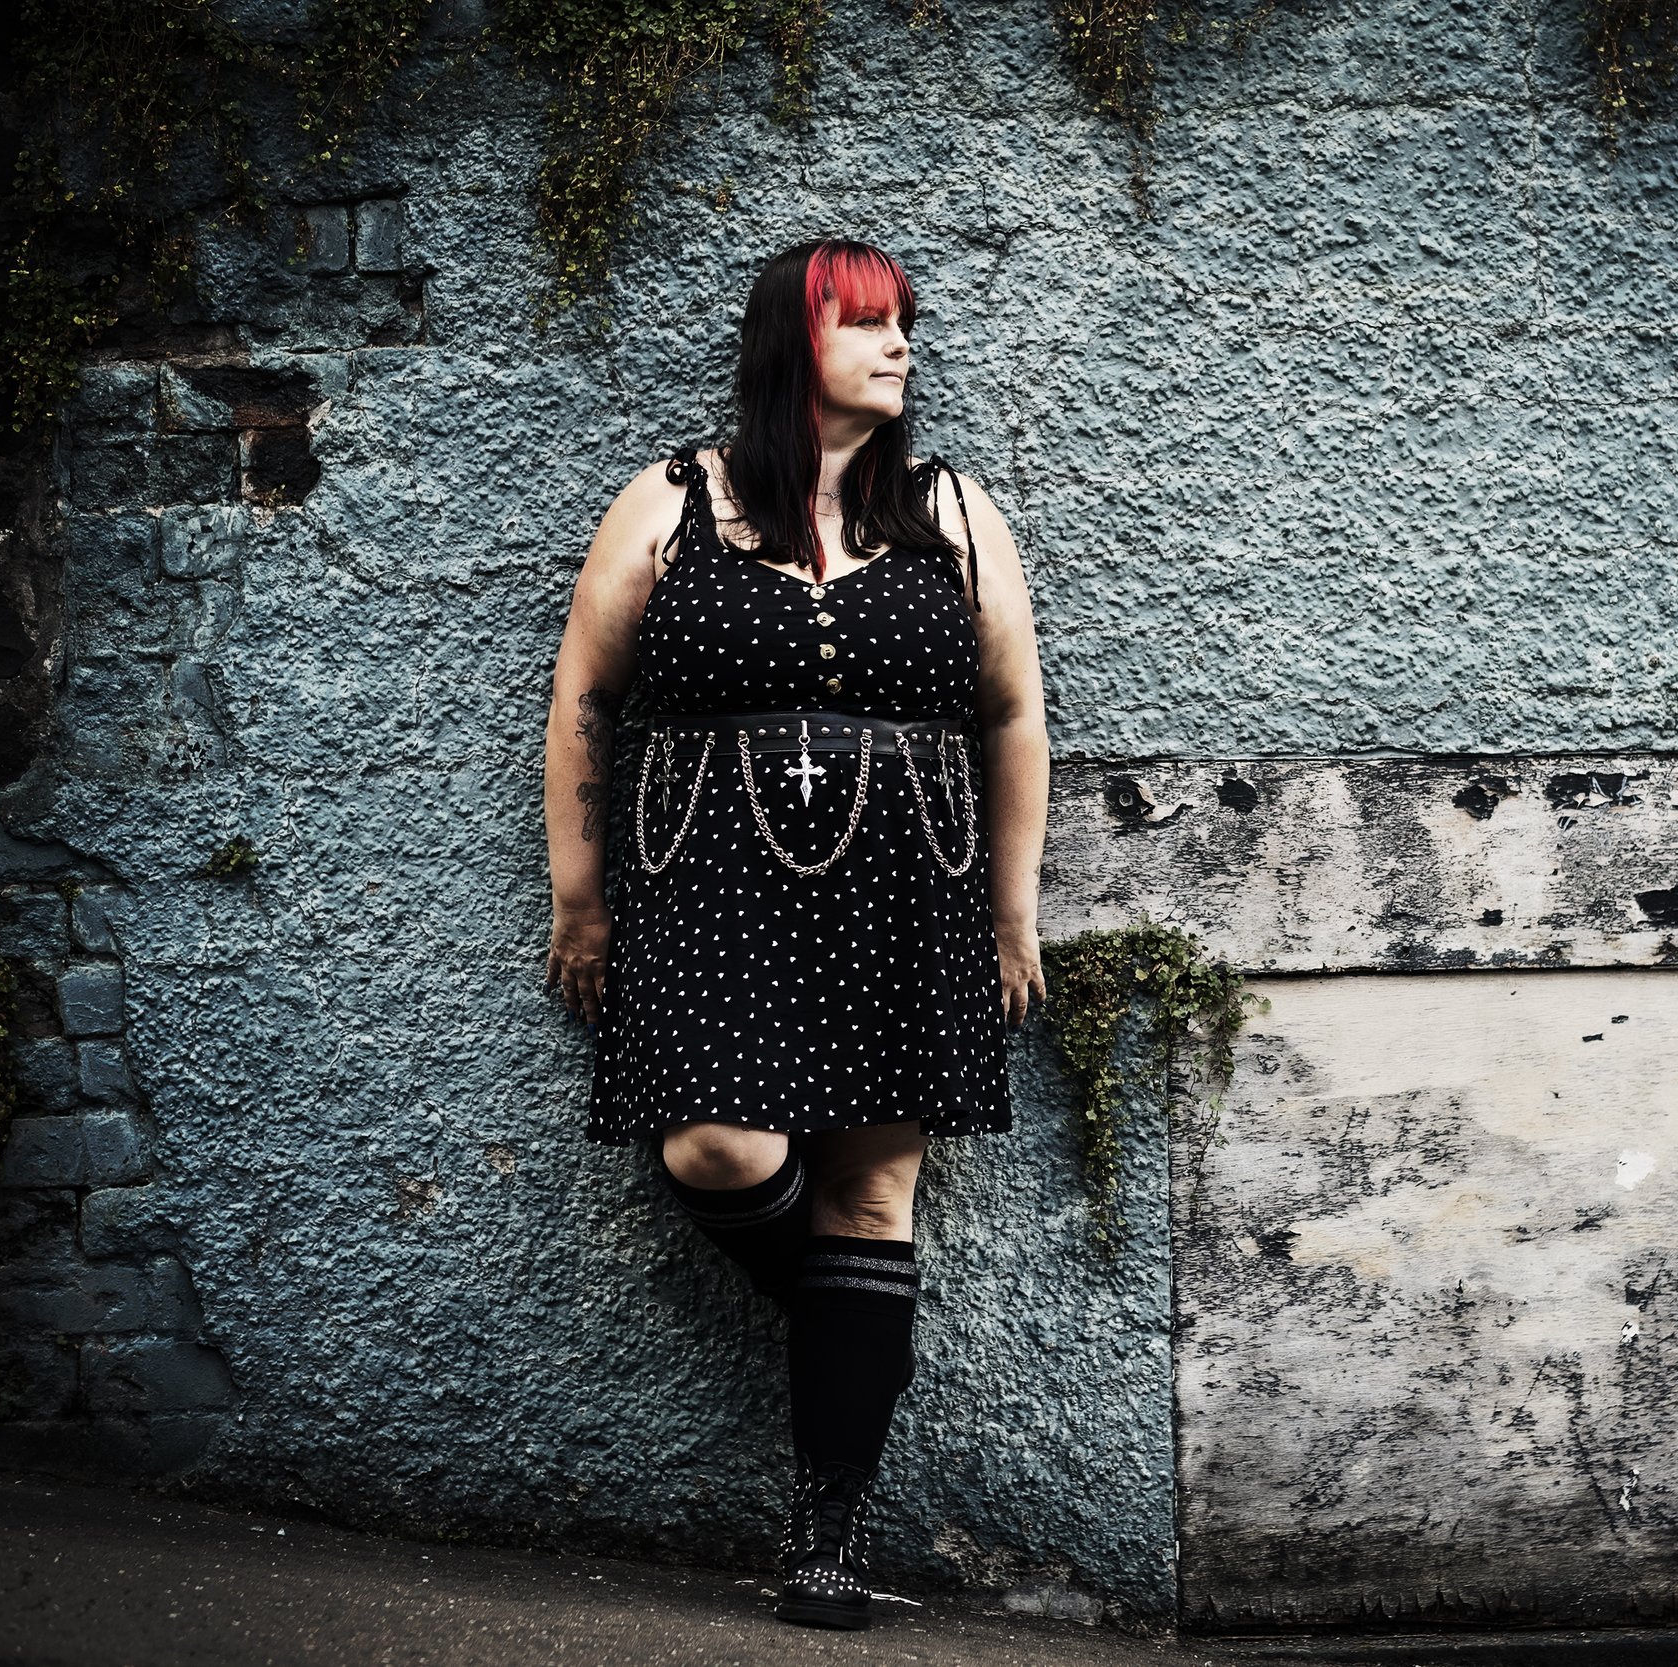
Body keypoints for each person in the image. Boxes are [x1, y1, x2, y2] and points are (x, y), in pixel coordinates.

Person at [540, 237, 1050, 1630]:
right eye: (870, 326)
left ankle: (826, 1527)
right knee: (717, 1145)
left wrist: (1010, 913)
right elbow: (587, 698)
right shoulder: (667, 502)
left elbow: (1012, 714)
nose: (901, 349)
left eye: (906, 327)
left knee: (873, 1200)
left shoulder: (949, 509)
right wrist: (580, 900)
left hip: (908, 893)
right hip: (710, 894)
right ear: (794, 343)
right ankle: (847, 1328)